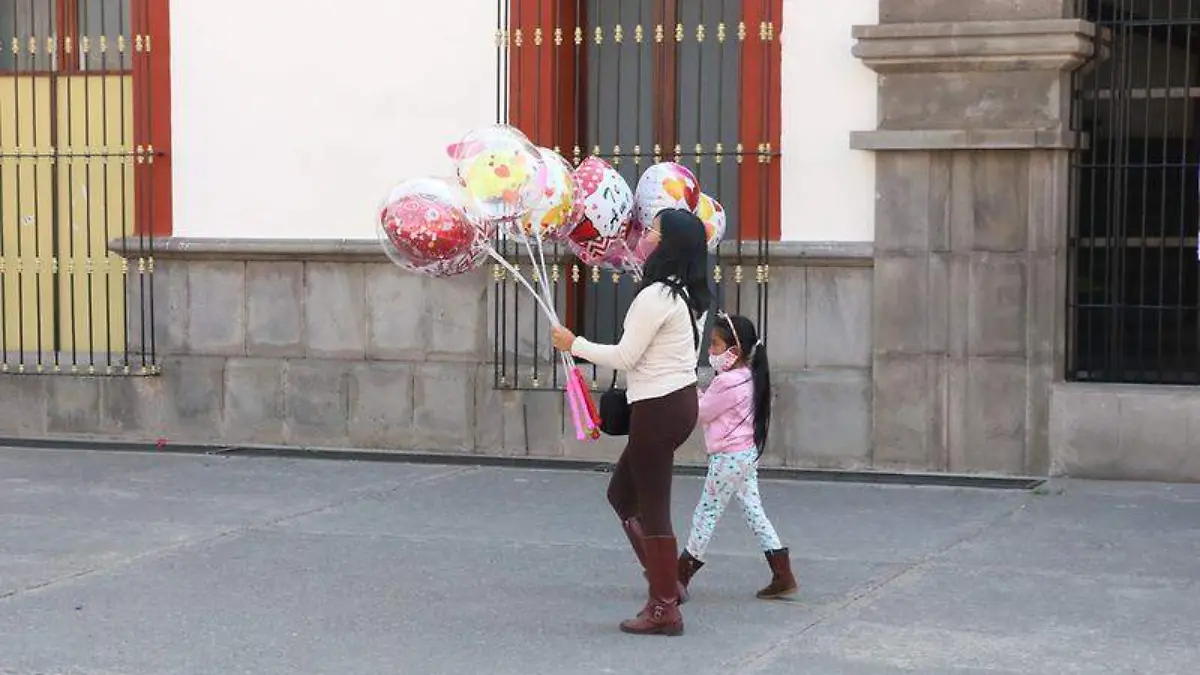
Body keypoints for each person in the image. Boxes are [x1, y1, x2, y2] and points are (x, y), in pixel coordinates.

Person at [551, 208, 711, 637]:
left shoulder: (658, 295)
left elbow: (625, 357)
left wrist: (574, 344)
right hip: (673, 404)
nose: (644, 236)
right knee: (622, 493)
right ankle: (668, 585)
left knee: (652, 507)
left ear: (668, 244)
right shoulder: (683, 294)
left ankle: (664, 608)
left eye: (653, 231)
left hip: (659, 408)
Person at [676, 311, 798, 600]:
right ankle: (782, 573)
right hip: (745, 455)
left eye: (716, 345)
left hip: (726, 457)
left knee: (706, 512)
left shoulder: (725, 382)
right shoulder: (749, 377)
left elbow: (703, 413)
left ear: (735, 349)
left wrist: (692, 389)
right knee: (754, 510)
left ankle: (680, 576)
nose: (711, 351)